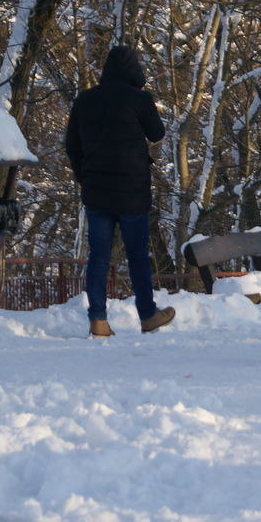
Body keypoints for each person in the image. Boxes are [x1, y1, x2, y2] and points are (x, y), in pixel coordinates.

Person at [65, 44, 176, 337]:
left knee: (99, 256)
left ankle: (98, 320)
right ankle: (148, 315)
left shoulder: (84, 100)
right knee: (137, 255)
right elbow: (157, 133)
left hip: (97, 193)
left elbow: (71, 146)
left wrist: (84, 177)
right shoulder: (139, 98)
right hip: (133, 192)